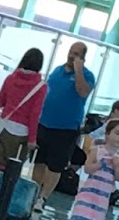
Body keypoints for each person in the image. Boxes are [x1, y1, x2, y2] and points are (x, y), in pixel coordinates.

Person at [0, 48, 47, 218]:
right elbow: (34, 115)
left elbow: (0, 102)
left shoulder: (11, 79)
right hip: (22, 139)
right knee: (10, 177)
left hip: (2, 131)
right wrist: (32, 139)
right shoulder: (41, 87)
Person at [31, 41, 95, 207]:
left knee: (56, 166)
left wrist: (78, 70)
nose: (71, 56)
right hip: (45, 124)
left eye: (76, 54)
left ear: (83, 58)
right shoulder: (57, 71)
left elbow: (83, 92)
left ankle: (43, 198)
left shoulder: (87, 76)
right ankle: (33, 193)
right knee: (39, 161)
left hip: (66, 129)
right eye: (71, 52)